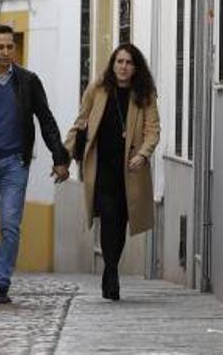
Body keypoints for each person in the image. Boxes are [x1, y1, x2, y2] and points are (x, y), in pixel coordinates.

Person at [0, 24, 71, 304]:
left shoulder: (28, 82)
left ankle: (2, 280)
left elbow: (46, 121)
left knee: (10, 224)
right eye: (0, 47)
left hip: (14, 164)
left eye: (10, 46)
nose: (6, 52)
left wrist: (60, 158)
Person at [65, 43, 160, 301]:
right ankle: (112, 275)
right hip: (101, 167)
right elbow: (81, 121)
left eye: (128, 63)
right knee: (108, 217)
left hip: (129, 170)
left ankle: (110, 268)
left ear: (135, 67)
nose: (123, 67)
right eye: (119, 61)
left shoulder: (144, 94)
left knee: (120, 221)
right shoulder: (98, 88)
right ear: (113, 64)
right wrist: (64, 154)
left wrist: (143, 154)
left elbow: (152, 129)